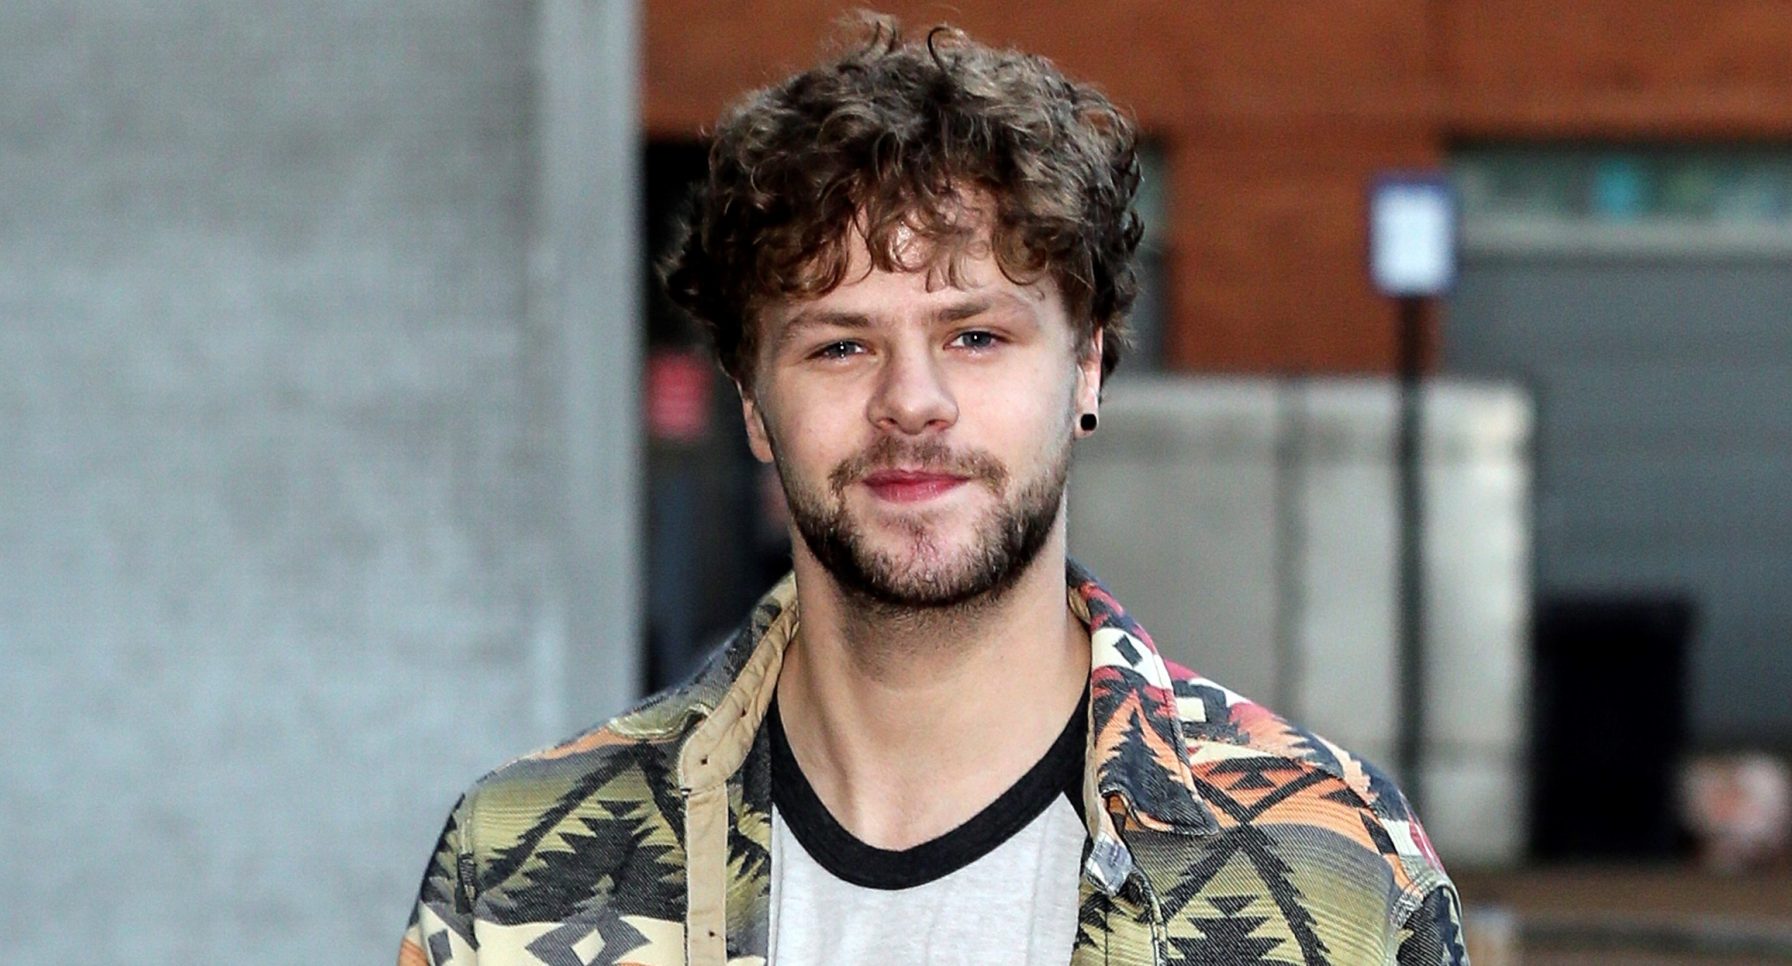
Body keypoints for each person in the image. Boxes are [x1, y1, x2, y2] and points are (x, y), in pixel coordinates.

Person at [400, 16, 1467, 966]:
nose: (912, 402)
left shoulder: (1330, 869)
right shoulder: (518, 875)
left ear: (1086, 366)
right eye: (839, 346)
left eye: (975, 335)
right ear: (750, 402)